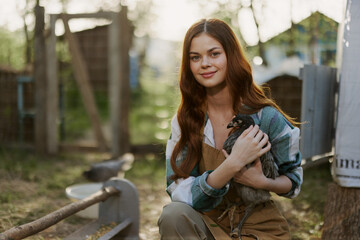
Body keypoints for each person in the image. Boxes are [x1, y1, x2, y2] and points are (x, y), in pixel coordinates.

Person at [158, 18, 303, 240]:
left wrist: (262, 182)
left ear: (231, 57)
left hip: (259, 227)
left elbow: (293, 181)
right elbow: (178, 190)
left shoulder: (267, 118)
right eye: (195, 57)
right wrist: (232, 164)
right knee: (173, 215)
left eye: (214, 54)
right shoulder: (186, 120)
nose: (204, 63)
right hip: (208, 223)